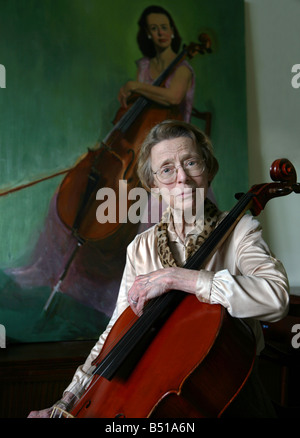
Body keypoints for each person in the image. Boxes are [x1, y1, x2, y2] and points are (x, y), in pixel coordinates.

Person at [28, 120, 289, 418]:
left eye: (191, 162)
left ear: (208, 170)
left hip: (231, 395)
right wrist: (69, 399)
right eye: (166, 169)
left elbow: (276, 298)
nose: (182, 178)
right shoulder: (141, 248)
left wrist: (179, 277)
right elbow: (116, 330)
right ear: (153, 185)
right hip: (158, 393)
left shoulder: (240, 230)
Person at [118, 5, 195, 122]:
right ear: (148, 33)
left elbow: (173, 98)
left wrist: (136, 86)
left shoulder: (183, 68)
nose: (160, 33)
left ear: (172, 31)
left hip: (174, 133)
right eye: (154, 28)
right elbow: (142, 101)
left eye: (164, 27)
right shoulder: (144, 66)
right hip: (147, 128)